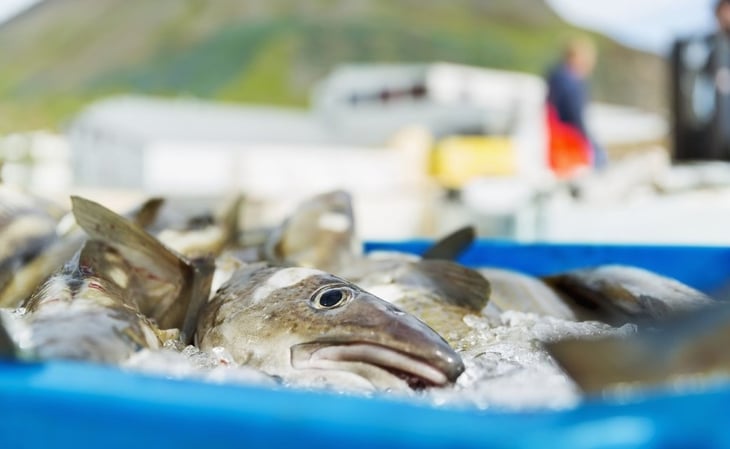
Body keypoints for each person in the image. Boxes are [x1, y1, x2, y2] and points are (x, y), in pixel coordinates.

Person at [545, 38, 607, 176]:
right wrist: (593, 144)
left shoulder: (555, 77)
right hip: (568, 146)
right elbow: (576, 118)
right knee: (599, 159)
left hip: (556, 145)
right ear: (576, 58)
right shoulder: (570, 82)